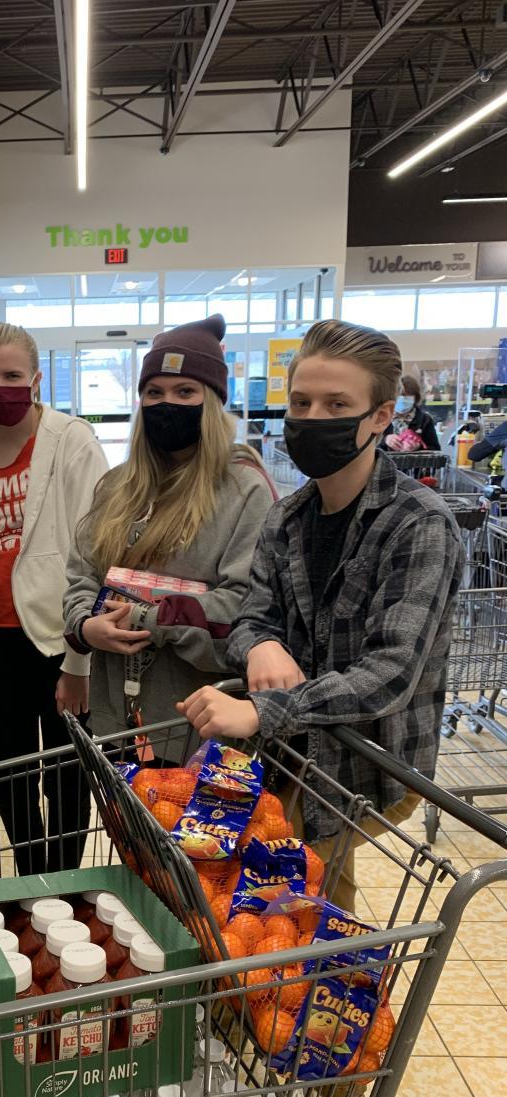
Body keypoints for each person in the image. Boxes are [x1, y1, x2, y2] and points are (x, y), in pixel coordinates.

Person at [179, 319, 464, 912]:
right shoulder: (287, 519)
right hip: (293, 753)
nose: (312, 418)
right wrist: (261, 645)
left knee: (280, 898)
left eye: (336, 405)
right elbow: (251, 620)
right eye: (301, 403)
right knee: (306, 901)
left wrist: (262, 709)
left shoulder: (418, 524)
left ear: (381, 416)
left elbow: (389, 673)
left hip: (368, 762)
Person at [63, 315, 275, 744]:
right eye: (154, 392)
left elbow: (244, 608)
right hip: (114, 721)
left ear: (212, 401)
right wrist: (85, 626)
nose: (167, 404)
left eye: (185, 391)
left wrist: (147, 618)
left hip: (195, 728)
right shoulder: (117, 486)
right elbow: (82, 574)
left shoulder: (244, 490)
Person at [0, 322, 109, 873]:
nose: (0, 386)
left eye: (12, 375)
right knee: (9, 773)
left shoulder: (71, 441)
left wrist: (79, 663)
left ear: (37, 379)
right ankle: (29, 878)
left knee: (67, 772)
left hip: (58, 636)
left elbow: (96, 551)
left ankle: (63, 884)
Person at [382, 374, 440, 452]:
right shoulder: (382, 418)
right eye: (399, 396)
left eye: (408, 396)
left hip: (415, 460)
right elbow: (371, 449)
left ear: (415, 398)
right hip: (386, 460)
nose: (403, 400)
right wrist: (385, 440)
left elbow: (436, 450)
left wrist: (419, 447)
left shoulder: (425, 420)